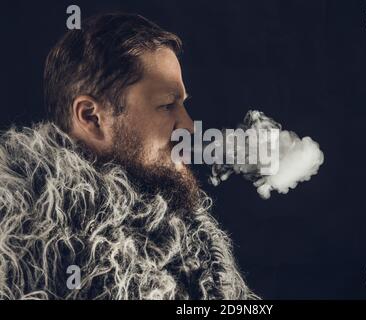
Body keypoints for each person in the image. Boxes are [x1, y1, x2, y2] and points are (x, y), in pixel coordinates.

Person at [0, 12, 258, 300]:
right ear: (92, 117)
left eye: (183, 103)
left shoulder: (192, 240)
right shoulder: (30, 253)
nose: (188, 126)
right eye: (166, 105)